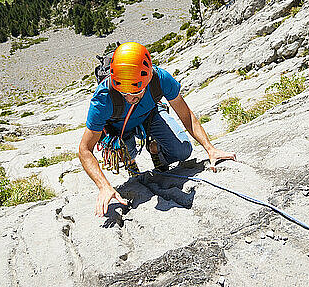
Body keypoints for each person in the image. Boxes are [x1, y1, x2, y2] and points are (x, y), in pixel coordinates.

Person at [78, 42, 236, 217]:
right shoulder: (103, 98)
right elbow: (85, 149)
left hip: (150, 116)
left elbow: (186, 115)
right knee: (128, 152)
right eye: (124, 93)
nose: (130, 98)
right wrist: (104, 186)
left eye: (136, 92)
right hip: (119, 131)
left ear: (147, 78)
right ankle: (130, 161)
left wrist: (210, 149)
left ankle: (156, 151)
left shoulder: (160, 79)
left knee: (183, 151)